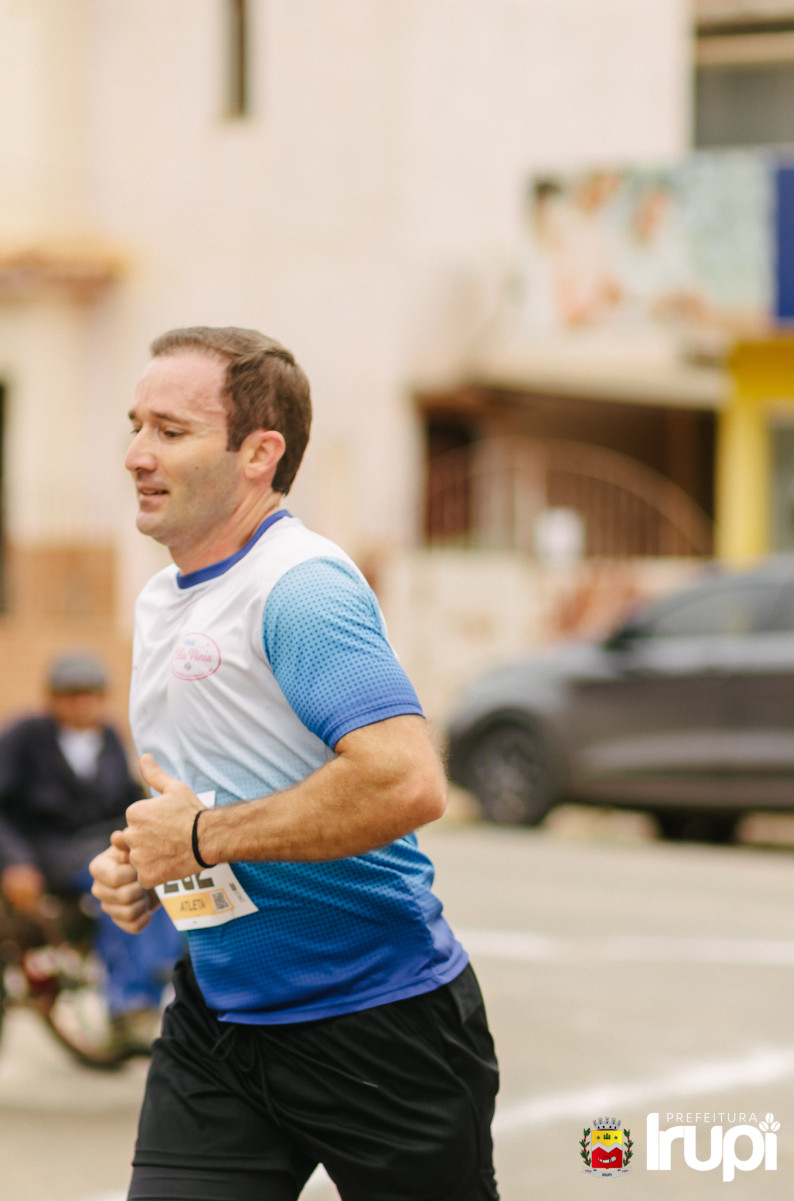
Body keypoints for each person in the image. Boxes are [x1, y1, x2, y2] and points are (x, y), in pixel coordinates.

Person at [90, 326, 500, 1201]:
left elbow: (406, 779)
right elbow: (207, 795)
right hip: (219, 1023)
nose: (136, 454)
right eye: (136, 426)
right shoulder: (163, 602)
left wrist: (199, 838)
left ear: (258, 453)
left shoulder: (300, 587)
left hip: (379, 1024)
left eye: (171, 431)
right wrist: (145, 862)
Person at [0, 651, 183, 1058]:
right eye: (74, 694)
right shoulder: (25, 737)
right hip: (49, 851)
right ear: (53, 698)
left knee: (161, 870)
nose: (84, 704)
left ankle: (157, 979)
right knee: (119, 880)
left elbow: (128, 800)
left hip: (105, 840)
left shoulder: (109, 738)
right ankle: (129, 1002)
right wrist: (14, 863)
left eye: (93, 694)